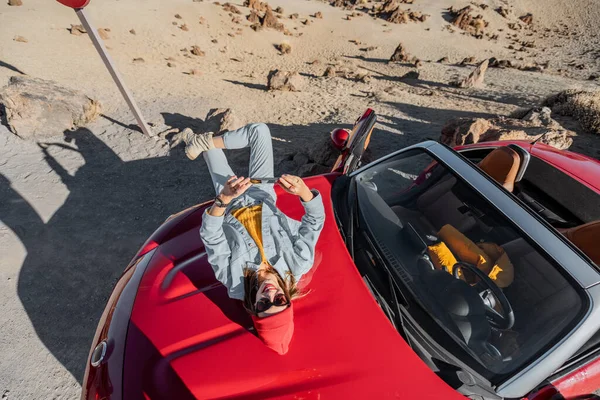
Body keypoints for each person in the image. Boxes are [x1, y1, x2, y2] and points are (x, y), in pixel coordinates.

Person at [175, 123, 325, 355]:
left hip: (231, 200)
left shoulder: (234, 281)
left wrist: (223, 199)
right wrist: (304, 192)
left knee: (212, 151)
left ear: (253, 306)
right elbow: (314, 221)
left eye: (264, 304)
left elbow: (211, 236)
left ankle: (200, 142)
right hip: (263, 194)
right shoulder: (299, 265)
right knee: (260, 131)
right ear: (287, 299)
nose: (270, 294)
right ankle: (199, 141)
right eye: (279, 301)